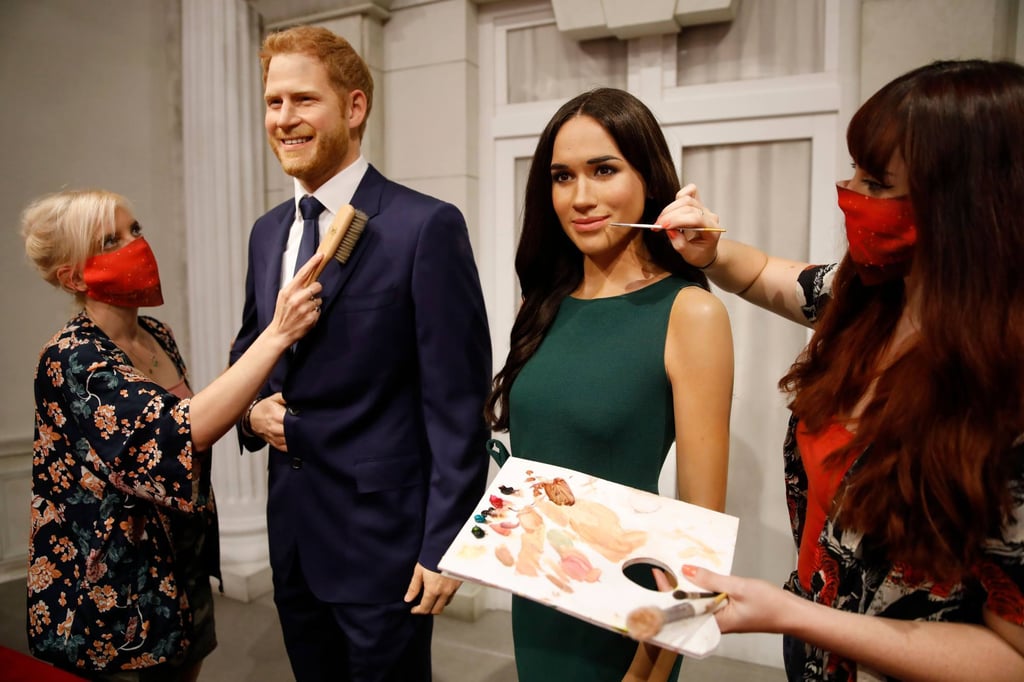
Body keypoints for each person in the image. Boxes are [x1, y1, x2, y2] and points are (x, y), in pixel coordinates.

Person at [655, 59, 1024, 680]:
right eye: (855, 172)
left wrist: (793, 615)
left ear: (967, 203)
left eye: (877, 183)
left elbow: (1013, 656)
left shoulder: (1005, 390)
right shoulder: (872, 299)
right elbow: (766, 274)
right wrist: (709, 248)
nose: (852, 195)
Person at [228, 25, 492, 682]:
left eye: (302, 100)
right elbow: (250, 351)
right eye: (273, 102)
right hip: (292, 535)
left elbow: (457, 406)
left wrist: (445, 547)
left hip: (385, 543)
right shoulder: (268, 234)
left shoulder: (424, 227)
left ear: (353, 107)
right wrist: (253, 410)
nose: (283, 119)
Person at [483, 87, 734, 681]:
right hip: (539, 593)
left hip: (629, 615)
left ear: (649, 178)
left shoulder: (689, 314)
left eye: (604, 170)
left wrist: (650, 665)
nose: (582, 197)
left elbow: (702, 534)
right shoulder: (540, 305)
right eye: (562, 176)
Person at [21, 189, 323, 681]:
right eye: (111, 240)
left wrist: (249, 412)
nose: (135, 245)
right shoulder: (71, 357)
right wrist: (277, 334)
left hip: (178, 565)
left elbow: (188, 416)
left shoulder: (156, 335)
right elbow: (177, 432)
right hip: (113, 583)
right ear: (73, 277)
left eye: (135, 230)